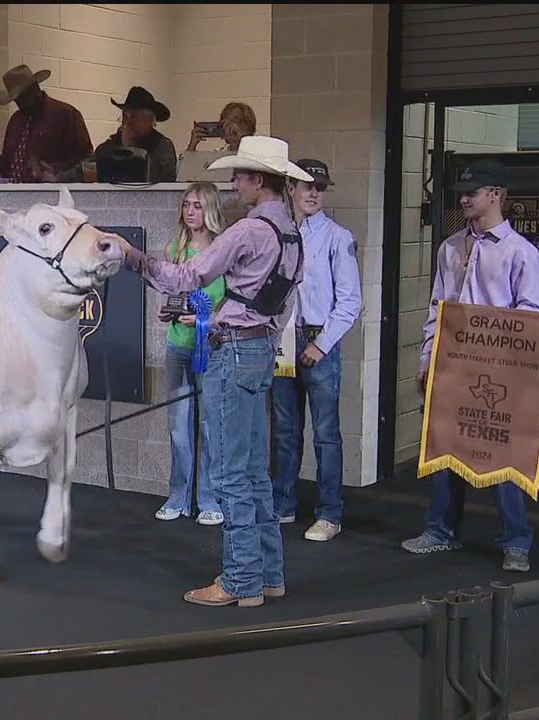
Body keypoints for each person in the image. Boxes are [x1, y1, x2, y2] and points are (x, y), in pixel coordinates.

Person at [116, 135, 310, 608]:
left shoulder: (248, 231)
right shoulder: (291, 235)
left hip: (234, 353)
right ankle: (268, 574)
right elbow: (283, 305)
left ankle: (241, 580)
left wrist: (132, 257)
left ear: (258, 180)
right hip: (259, 351)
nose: (234, 184)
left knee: (229, 473)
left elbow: (188, 277)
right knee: (254, 471)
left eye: (239, 176)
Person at [402, 158, 539, 573]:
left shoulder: (521, 252)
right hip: (452, 364)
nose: (464, 199)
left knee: (504, 453)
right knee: (444, 449)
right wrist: (427, 358)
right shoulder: (451, 247)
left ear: (496, 195)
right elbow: (438, 308)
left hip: (500, 369)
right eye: (462, 193)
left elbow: (531, 312)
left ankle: (516, 542)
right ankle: (440, 530)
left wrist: (503, 352)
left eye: (473, 192)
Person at [270, 160, 361, 542]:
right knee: (284, 430)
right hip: (284, 337)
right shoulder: (279, 234)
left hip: (317, 336)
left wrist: (321, 345)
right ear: (291, 188)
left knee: (325, 433)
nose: (313, 193)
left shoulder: (337, 237)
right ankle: (283, 503)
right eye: (307, 186)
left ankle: (329, 513)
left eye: (319, 188)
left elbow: (350, 301)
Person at [155, 182, 228, 527]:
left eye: (197, 205)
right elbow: (170, 291)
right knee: (179, 427)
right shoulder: (174, 249)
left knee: (211, 427)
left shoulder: (224, 250)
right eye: (186, 205)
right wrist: (166, 310)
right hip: (177, 346)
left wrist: (204, 318)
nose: (190, 212)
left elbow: (231, 302)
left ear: (210, 209)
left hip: (211, 347)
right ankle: (178, 497)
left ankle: (210, 499)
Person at [0, 65, 93, 183]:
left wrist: (54, 171)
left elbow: (87, 159)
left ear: (34, 88)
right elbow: (10, 161)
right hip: (14, 189)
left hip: (50, 188)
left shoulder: (65, 114)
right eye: (16, 99)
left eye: (23, 97)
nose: (20, 103)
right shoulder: (16, 120)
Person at [94, 86, 178, 183]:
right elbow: (93, 165)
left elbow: (156, 180)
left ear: (150, 120)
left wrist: (130, 147)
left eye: (133, 117)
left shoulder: (162, 146)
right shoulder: (113, 143)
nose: (127, 122)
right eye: (125, 116)